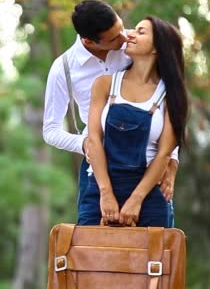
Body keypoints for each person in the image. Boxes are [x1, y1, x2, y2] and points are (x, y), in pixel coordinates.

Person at [42, 0, 179, 226]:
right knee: (95, 249)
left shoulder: (135, 46)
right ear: (89, 41)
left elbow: (168, 105)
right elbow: (50, 130)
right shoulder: (64, 68)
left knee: (154, 251)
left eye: (122, 28)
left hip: (147, 165)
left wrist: (171, 162)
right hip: (98, 164)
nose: (124, 38)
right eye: (114, 38)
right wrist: (85, 143)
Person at [80, 16, 188, 227]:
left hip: (149, 195)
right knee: (90, 257)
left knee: (152, 259)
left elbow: (165, 153)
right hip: (100, 188)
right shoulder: (104, 84)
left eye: (141, 32)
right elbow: (93, 139)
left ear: (158, 47)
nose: (130, 34)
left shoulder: (171, 95)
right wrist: (106, 193)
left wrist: (136, 200)